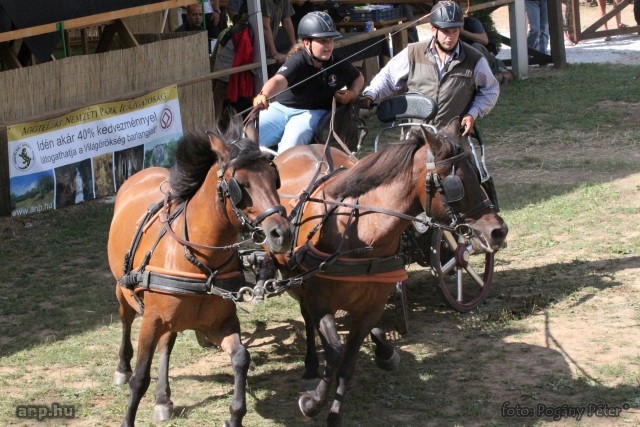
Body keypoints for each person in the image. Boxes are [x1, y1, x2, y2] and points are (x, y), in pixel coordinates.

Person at [361, 1, 499, 136]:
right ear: (433, 30)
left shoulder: (474, 59)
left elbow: (490, 90)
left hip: (452, 137)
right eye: (445, 31)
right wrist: (371, 94)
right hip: (415, 136)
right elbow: (388, 78)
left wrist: (472, 113)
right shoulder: (413, 53)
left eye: (455, 31)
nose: (450, 37)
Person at [252, 11, 364, 152]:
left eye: (330, 40)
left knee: (291, 146)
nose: (329, 46)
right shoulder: (297, 60)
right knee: (248, 135)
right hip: (281, 108)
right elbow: (278, 80)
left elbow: (358, 77)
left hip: (312, 113)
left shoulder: (337, 61)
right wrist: (264, 94)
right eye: (323, 41)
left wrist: (353, 93)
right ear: (307, 43)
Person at [261, 0, 297, 64]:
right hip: (251, 47)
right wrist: (275, 53)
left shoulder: (284, 1)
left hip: (267, 48)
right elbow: (264, 27)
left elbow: (287, 22)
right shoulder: (264, 1)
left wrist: (295, 47)